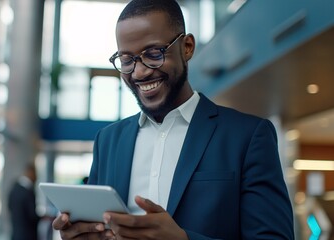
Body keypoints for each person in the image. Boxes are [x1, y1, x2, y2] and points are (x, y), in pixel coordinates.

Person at [53, 0, 294, 239]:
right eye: (127, 60)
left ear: (187, 47)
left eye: (154, 53)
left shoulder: (248, 136)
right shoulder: (107, 141)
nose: (139, 72)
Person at [8, 163, 42, 240]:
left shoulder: (13, 189)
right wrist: (43, 218)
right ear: (31, 173)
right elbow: (33, 215)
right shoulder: (28, 192)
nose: (36, 178)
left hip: (15, 235)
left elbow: (9, 207)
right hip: (28, 236)